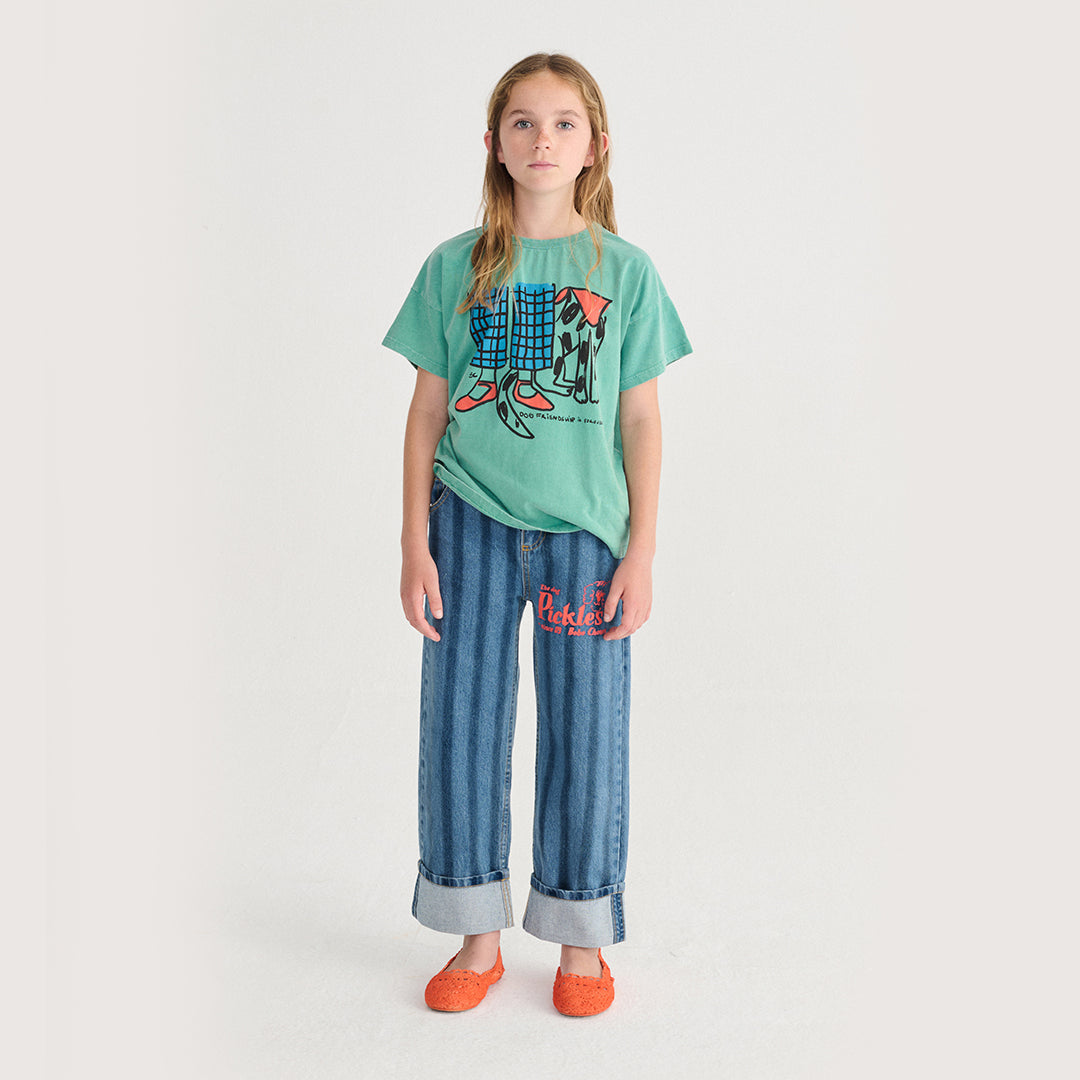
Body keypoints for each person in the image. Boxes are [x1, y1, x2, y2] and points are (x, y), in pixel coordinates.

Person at [383, 53, 691, 1016]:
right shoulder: (454, 266)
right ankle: (475, 931)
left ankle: (580, 937)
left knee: (586, 730)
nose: (542, 139)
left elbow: (639, 420)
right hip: (468, 524)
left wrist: (641, 551)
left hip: (584, 537)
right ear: (494, 143)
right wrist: (413, 541)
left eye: (564, 123)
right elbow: (426, 413)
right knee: (462, 724)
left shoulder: (625, 273)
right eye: (523, 122)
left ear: (595, 146)